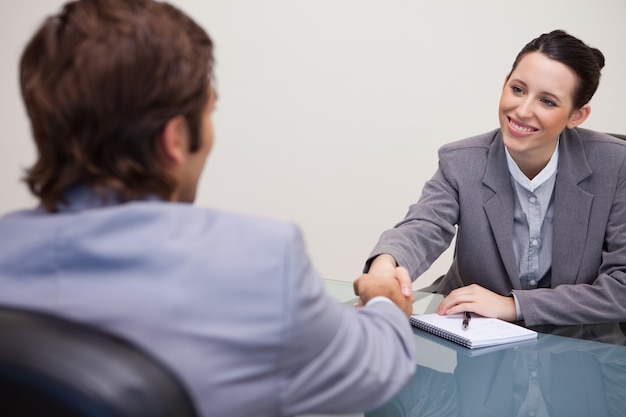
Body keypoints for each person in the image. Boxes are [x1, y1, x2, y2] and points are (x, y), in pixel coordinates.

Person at [0, 0, 417, 416]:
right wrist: (384, 300)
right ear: (175, 139)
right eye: (209, 109)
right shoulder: (258, 264)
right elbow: (377, 367)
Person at [364, 29, 626, 326]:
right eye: (517, 89)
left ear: (577, 116)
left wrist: (514, 306)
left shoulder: (616, 164)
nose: (522, 110)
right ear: (505, 83)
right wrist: (386, 266)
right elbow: (423, 225)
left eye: (548, 102)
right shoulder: (461, 160)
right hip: (472, 338)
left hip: (575, 344)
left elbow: (623, 287)